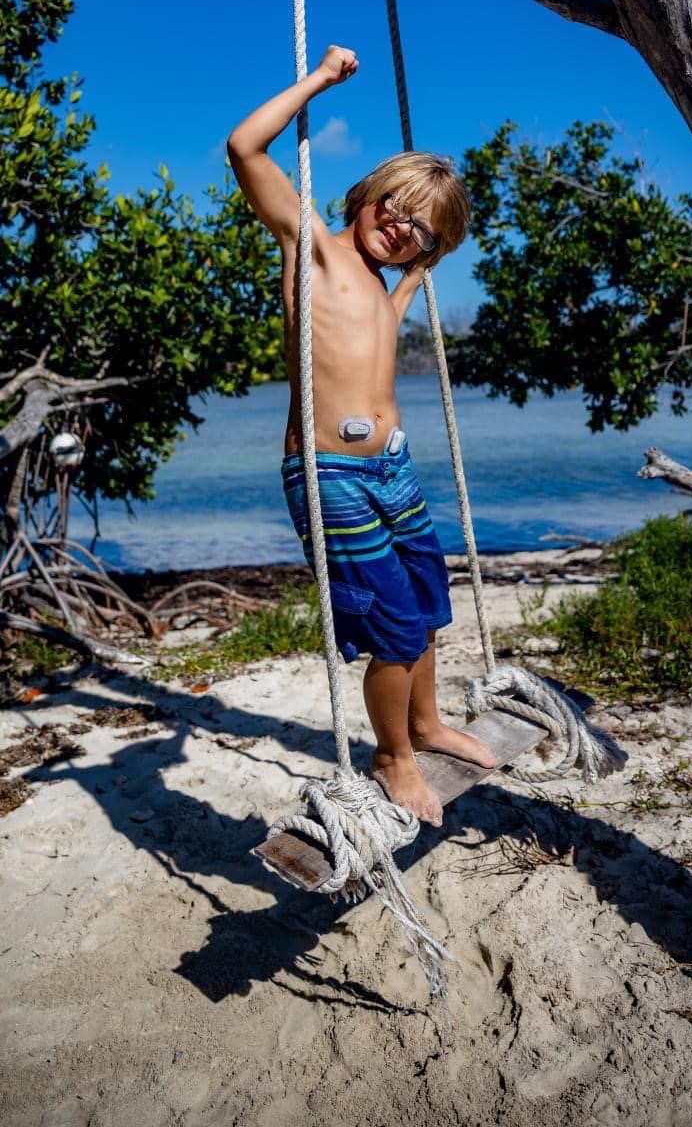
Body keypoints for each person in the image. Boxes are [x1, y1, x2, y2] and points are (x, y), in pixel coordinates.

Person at [227, 43, 494, 826]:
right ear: (368, 193)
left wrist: (417, 271)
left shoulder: (382, 285)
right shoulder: (310, 247)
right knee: (392, 626)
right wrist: (319, 82)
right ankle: (392, 757)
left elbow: (378, 328)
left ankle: (427, 724)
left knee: (427, 605)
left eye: (422, 230)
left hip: (393, 472)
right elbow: (245, 147)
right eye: (396, 209)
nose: (402, 228)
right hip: (332, 474)